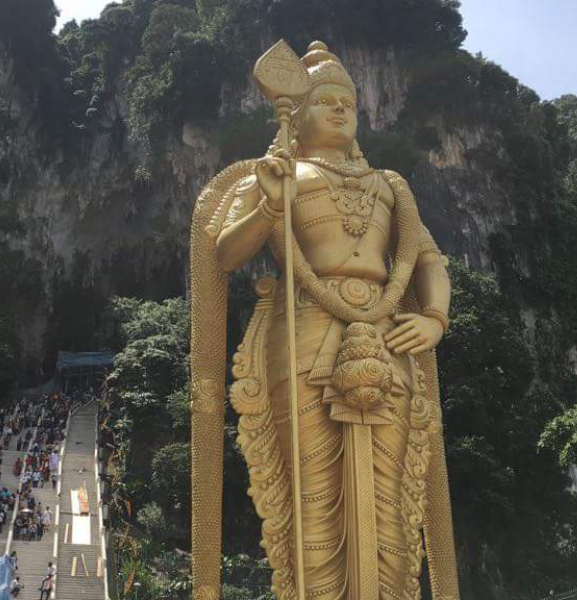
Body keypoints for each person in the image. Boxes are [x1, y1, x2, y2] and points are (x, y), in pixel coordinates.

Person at [191, 40, 458, 599]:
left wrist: (434, 317)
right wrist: (267, 203)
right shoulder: (281, 175)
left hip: (388, 334)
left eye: (348, 102)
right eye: (325, 100)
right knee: (311, 494)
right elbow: (224, 255)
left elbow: (427, 259)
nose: (340, 110)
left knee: (392, 497)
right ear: (298, 113)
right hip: (305, 326)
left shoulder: (390, 185)